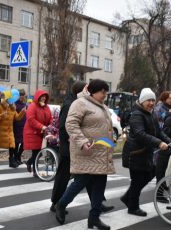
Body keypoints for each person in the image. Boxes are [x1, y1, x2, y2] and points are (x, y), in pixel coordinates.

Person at [54, 79, 115, 230]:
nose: (104, 95)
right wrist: (82, 141)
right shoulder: (79, 103)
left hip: (101, 152)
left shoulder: (102, 106)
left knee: (100, 185)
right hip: (86, 151)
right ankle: (61, 205)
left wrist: (111, 138)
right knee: (80, 182)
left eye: (106, 92)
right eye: (102, 92)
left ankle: (94, 218)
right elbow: (71, 124)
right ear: (93, 91)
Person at [121, 88, 171, 216]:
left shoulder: (150, 113)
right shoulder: (137, 114)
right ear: (142, 101)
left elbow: (159, 132)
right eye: (149, 100)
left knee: (150, 173)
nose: (151, 103)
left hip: (146, 152)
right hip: (135, 153)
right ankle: (133, 207)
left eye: (153, 100)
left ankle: (127, 197)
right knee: (137, 180)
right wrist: (159, 143)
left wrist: (170, 141)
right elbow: (140, 134)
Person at [0, 99, 26, 167]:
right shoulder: (1, 106)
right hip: (0, 130)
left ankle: (11, 161)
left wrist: (23, 111)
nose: (11, 101)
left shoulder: (13, 108)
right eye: (9, 100)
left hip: (10, 130)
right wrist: (2, 115)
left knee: (12, 145)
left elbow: (17, 118)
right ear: (7, 99)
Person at [23, 90, 52, 177]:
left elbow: (50, 117)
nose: (43, 98)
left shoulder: (46, 107)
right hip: (33, 132)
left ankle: (29, 162)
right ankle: (35, 171)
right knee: (36, 152)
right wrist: (42, 126)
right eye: (42, 96)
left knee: (40, 152)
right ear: (37, 97)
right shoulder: (32, 106)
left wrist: (51, 125)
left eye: (45, 96)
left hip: (42, 132)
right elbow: (31, 120)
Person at [13, 89, 27, 165]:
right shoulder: (14, 104)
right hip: (17, 127)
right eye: (20, 95)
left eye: (23, 95)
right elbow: (15, 116)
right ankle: (15, 158)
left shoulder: (25, 105)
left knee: (24, 144)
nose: (22, 97)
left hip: (24, 127)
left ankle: (18, 156)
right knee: (16, 143)